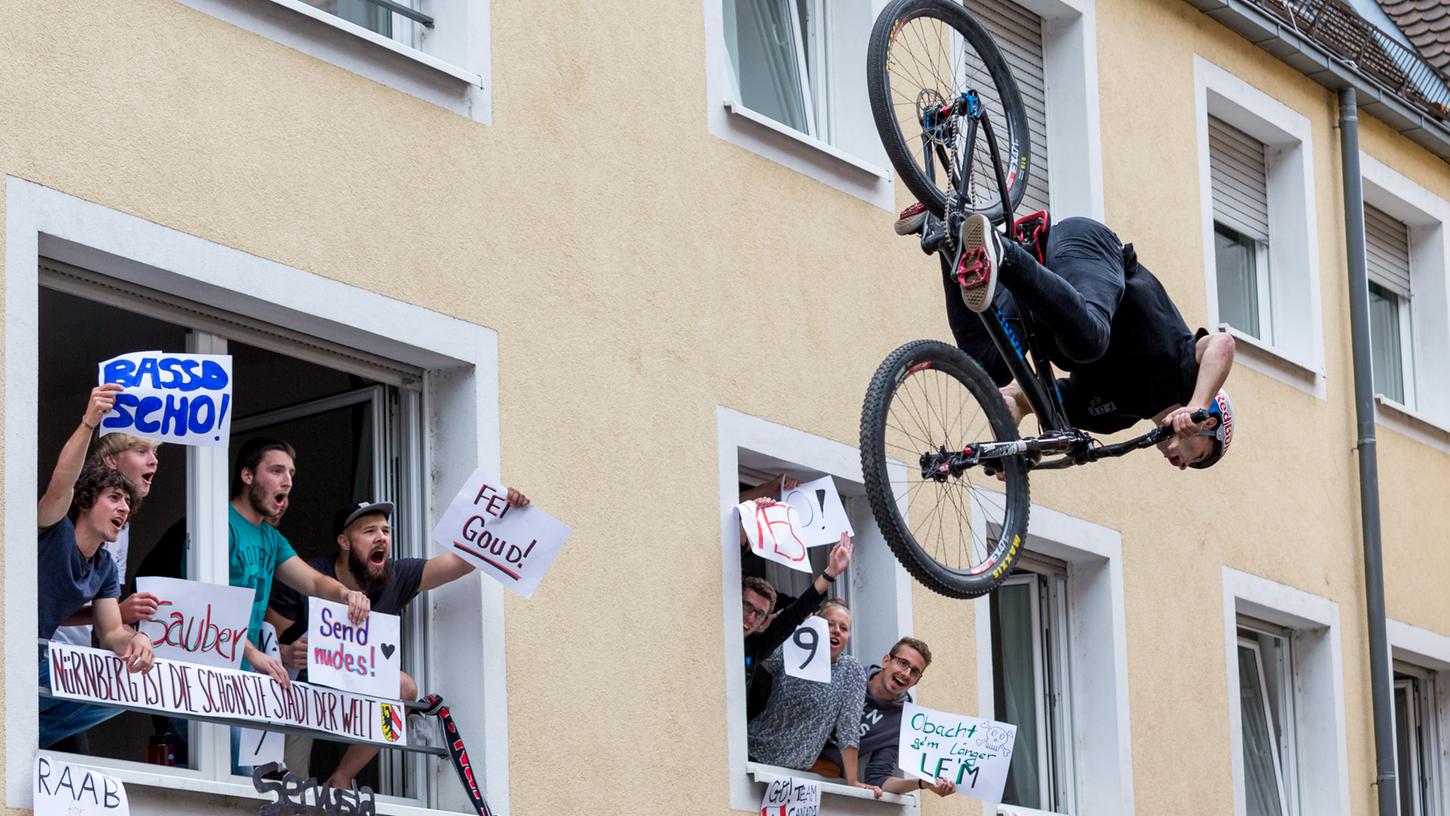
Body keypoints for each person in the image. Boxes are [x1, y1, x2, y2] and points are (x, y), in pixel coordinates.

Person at [902, 208, 1237, 469]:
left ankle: (946, 234)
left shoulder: (1110, 417)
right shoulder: (1184, 376)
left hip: (1037, 292)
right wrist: (1195, 404)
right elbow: (1222, 345)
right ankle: (1001, 249)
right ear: (1208, 422)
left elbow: (1017, 397)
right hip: (1088, 249)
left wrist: (1009, 445)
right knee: (1090, 342)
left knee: (992, 367)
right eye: (1198, 457)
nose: (1182, 466)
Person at [268, 488, 531, 789]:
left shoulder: (397, 575)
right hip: (303, 694)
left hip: (355, 693)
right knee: (290, 789)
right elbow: (266, 637)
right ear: (344, 542)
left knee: (405, 687)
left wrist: (502, 515)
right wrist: (286, 653)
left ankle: (341, 779)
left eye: (386, 530)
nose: (381, 537)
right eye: (369, 531)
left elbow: (462, 562)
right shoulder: (308, 577)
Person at [225, 437, 371, 773]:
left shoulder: (271, 539)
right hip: (213, 674)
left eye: (290, 473)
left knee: (259, 784)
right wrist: (252, 653)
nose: (287, 481)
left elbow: (314, 582)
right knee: (251, 782)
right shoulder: (221, 524)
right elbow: (205, 603)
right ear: (247, 476)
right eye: (276, 471)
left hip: (249, 681)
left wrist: (345, 595)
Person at [38, 385, 156, 748]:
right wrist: (90, 422)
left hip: (38, 658)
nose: (123, 507)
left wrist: (137, 640)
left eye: (127, 502)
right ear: (86, 500)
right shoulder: (53, 528)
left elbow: (111, 633)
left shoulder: (104, 565)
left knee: (131, 687)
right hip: (10, 651)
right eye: (114, 498)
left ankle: (19, 744)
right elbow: (63, 480)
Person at [748, 599, 872, 794]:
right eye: (829, 624)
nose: (836, 631)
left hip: (796, 773)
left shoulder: (851, 671)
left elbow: (848, 729)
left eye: (843, 628)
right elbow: (758, 647)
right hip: (755, 754)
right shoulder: (792, 652)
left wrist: (853, 780)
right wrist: (788, 617)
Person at [816, 637, 956, 798]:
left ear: (916, 681)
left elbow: (878, 779)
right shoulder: (851, 676)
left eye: (915, 672)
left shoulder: (901, 723)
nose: (906, 673)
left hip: (824, 777)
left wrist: (922, 783)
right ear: (886, 661)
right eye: (903, 663)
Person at [742, 532, 853, 719]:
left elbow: (795, 613)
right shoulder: (715, 629)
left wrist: (831, 573)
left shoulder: (757, 648)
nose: (750, 617)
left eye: (759, 614)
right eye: (746, 606)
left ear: (764, 622)